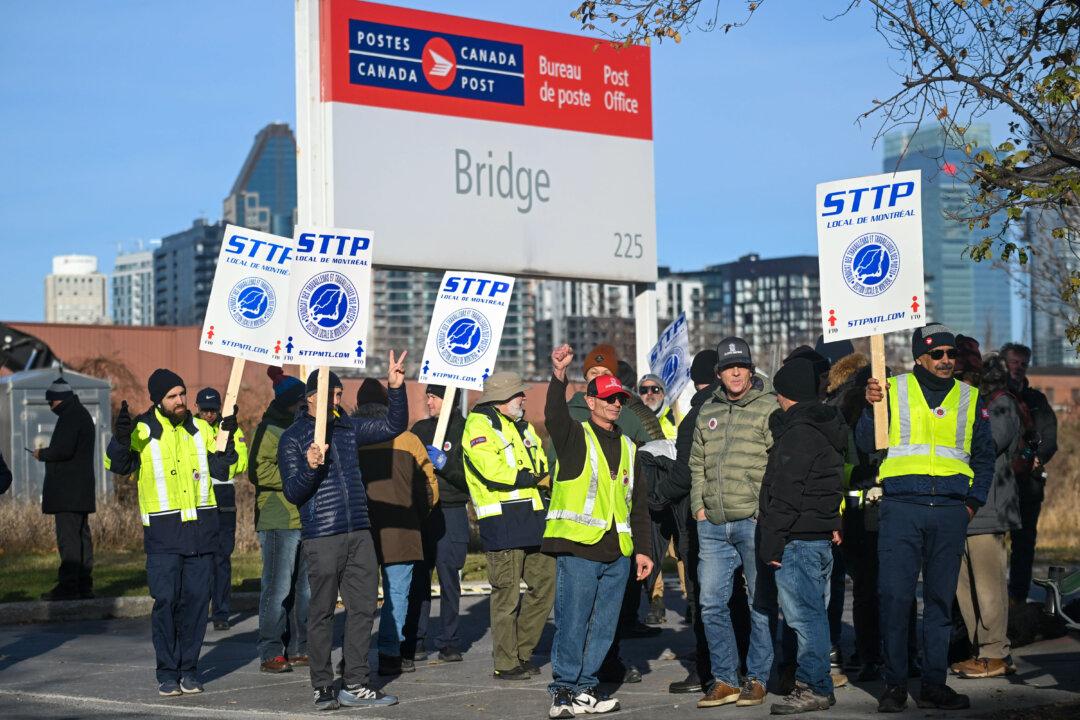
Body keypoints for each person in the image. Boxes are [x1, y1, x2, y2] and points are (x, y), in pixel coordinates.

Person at [858, 324, 994, 712]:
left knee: (939, 602)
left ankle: (934, 684)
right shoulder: (891, 390)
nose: (946, 361)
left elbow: (984, 456)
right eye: (937, 355)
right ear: (919, 357)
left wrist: (972, 503)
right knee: (896, 599)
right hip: (902, 509)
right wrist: (871, 407)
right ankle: (895, 685)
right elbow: (866, 444)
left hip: (951, 511)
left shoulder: (970, 397)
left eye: (951, 354)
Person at [280, 354, 408, 711]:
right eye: (329, 394)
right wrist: (309, 466)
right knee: (321, 612)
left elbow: (392, 426)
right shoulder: (293, 438)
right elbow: (293, 492)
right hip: (322, 535)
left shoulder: (348, 427)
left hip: (359, 532)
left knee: (364, 609)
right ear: (310, 397)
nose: (336, 400)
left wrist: (396, 389)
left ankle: (355, 683)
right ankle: (322, 686)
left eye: (339, 393)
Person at [105, 368, 238, 696]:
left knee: (196, 603)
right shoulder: (142, 429)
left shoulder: (201, 429)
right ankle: (167, 671)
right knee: (165, 601)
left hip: (202, 533)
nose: (180, 401)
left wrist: (228, 440)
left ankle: (189, 669)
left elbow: (225, 469)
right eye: (172, 396)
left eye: (181, 394)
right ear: (157, 400)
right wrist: (121, 440)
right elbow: (117, 466)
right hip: (163, 536)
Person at [544, 344, 654, 718]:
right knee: (573, 624)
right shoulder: (575, 436)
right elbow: (554, 415)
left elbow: (637, 505)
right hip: (578, 550)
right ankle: (563, 690)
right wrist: (559, 375)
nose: (614, 405)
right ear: (590, 402)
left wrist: (643, 550)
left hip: (617, 553)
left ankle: (586, 688)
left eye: (619, 399)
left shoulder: (627, 446)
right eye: (607, 399)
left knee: (604, 628)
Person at [690, 337, 776, 709]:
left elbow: (778, 464)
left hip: (752, 521)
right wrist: (699, 507)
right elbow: (696, 463)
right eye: (728, 367)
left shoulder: (769, 407)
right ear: (719, 374)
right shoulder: (708, 408)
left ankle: (756, 678)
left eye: (741, 365)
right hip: (712, 524)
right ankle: (725, 679)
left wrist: (764, 510)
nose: (735, 372)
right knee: (710, 604)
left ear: (751, 369)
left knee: (760, 602)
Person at [758, 358, 846, 714]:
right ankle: (815, 681)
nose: (776, 399)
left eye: (779, 393)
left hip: (798, 539)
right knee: (813, 614)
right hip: (817, 535)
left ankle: (814, 685)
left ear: (787, 394)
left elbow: (787, 491)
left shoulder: (800, 433)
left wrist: (772, 541)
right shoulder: (824, 427)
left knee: (804, 617)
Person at [462, 371, 555, 681]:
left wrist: (539, 476)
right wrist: (533, 476)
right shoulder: (478, 426)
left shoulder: (524, 427)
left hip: (532, 518)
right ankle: (506, 661)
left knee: (546, 585)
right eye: (519, 395)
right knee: (507, 595)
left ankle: (522, 652)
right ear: (500, 400)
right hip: (501, 521)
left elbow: (541, 464)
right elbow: (494, 470)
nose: (524, 399)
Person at [353, 378, 438, 676]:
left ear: (358, 404)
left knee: (358, 597)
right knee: (397, 594)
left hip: (358, 528)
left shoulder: (348, 436)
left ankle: (354, 656)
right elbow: (429, 487)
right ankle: (390, 653)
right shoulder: (407, 439)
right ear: (388, 405)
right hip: (402, 527)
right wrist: (418, 515)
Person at [952, 354, 1022, 679]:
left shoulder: (1000, 403)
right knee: (963, 588)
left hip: (989, 510)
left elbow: (990, 442)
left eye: (962, 373)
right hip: (961, 509)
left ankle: (995, 651)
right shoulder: (968, 404)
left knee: (989, 585)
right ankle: (980, 650)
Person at [657, 349, 718, 695]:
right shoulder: (737, 406)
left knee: (702, 595)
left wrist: (655, 496)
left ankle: (706, 669)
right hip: (738, 514)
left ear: (696, 380)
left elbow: (684, 473)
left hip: (698, 517)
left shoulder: (696, 414)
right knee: (736, 596)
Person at [249, 367, 309, 673]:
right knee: (277, 587)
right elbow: (257, 471)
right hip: (277, 517)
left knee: (305, 588)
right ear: (292, 401)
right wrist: (296, 477)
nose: (307, 404)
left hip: (303, 516)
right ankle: (271, 649)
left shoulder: (301, 427)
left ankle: (301, 646)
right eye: (302, 400)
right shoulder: (270, 429)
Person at [411, 384, 470, 662]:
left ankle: (449, 640)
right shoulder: (420, 429)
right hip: (424, 512)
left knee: (449, 578)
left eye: (433, 397)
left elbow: (470, 480)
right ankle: (417, 638)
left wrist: (446, 464)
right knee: (420, 577)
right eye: (428, 396)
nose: (428, 401)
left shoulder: (466, 430)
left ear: (448, 401)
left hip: (453, 511)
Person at [1000, 342, 1058, 604]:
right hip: (999, 483)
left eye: (1023, 363)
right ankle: (995, 600)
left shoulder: (1037, 400)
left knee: (1024, 545)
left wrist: (1037, 457)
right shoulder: (994, 397)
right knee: (994, 544)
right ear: (1004, 363)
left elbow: (1050, 437)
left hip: (1029, 484)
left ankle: (1018, 599)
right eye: (1014, 362)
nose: (1018, 368)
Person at [34, 376, 98, 601]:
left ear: (57, 400)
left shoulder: (71, 417)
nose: (50, 407)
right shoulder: (80, 415)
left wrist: (42, 454)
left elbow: (63, 450)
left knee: (69, 539)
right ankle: (83, 585)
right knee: (81, 538)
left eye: (50, 402)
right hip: (79, 492)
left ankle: (69, 586)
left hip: (68, 492)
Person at [195, 387, 249, 631]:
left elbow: (240, 464)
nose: (208, 415)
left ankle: (221, 613)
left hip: (224, 495)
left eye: (212, 410)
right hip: (200, 496)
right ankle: (196, 610)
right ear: (197, 408)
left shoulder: (232, 429)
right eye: (204, 410)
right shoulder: (190, 429)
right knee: (198, 559)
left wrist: (228, 437)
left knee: (222, 557)